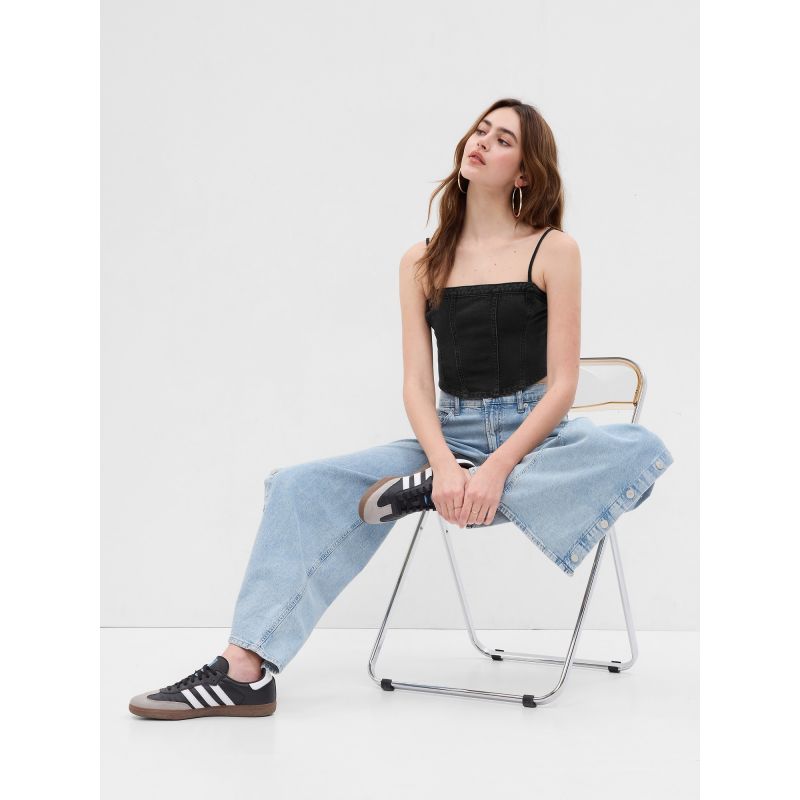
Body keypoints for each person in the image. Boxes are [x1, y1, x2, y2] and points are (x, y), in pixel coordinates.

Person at [128, 98, 674, 720]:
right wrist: (443, 466)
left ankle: (452, 492)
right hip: (446, 439)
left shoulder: (554, 249)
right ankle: (244, 670)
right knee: (297, 487)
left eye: (503, 140)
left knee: (639, 450)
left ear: (525, 172)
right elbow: (416, 385)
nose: (482, 142)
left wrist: (496, 470)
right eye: (480, 130)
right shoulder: (421, 260)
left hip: (534, 440)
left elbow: (563, 388)